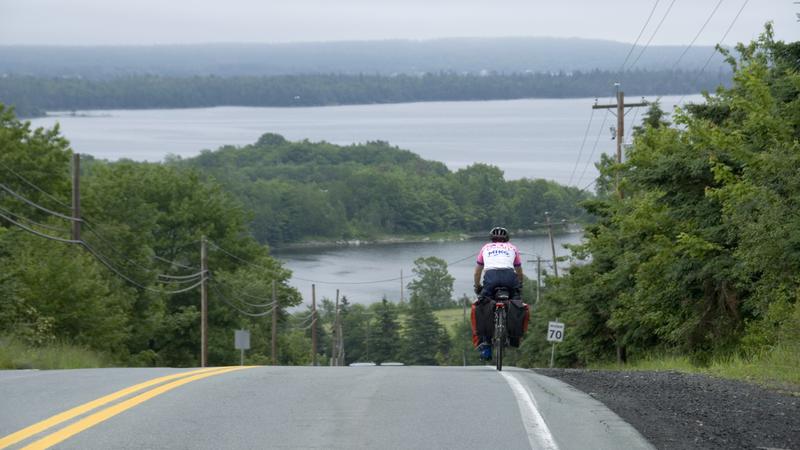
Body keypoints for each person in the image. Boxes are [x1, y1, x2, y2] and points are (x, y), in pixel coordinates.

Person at [472, 226, 523, 360]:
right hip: (509, 278)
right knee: (517, 304)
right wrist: (519, 285)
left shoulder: (485, 248)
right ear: (507, 239)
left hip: (491, 278)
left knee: (482, 306)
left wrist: (477, 286)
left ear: (492, 239)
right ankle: (514, 339)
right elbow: (519, 271)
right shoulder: (513, 248)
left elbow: (477, 272)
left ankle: (486, 344)